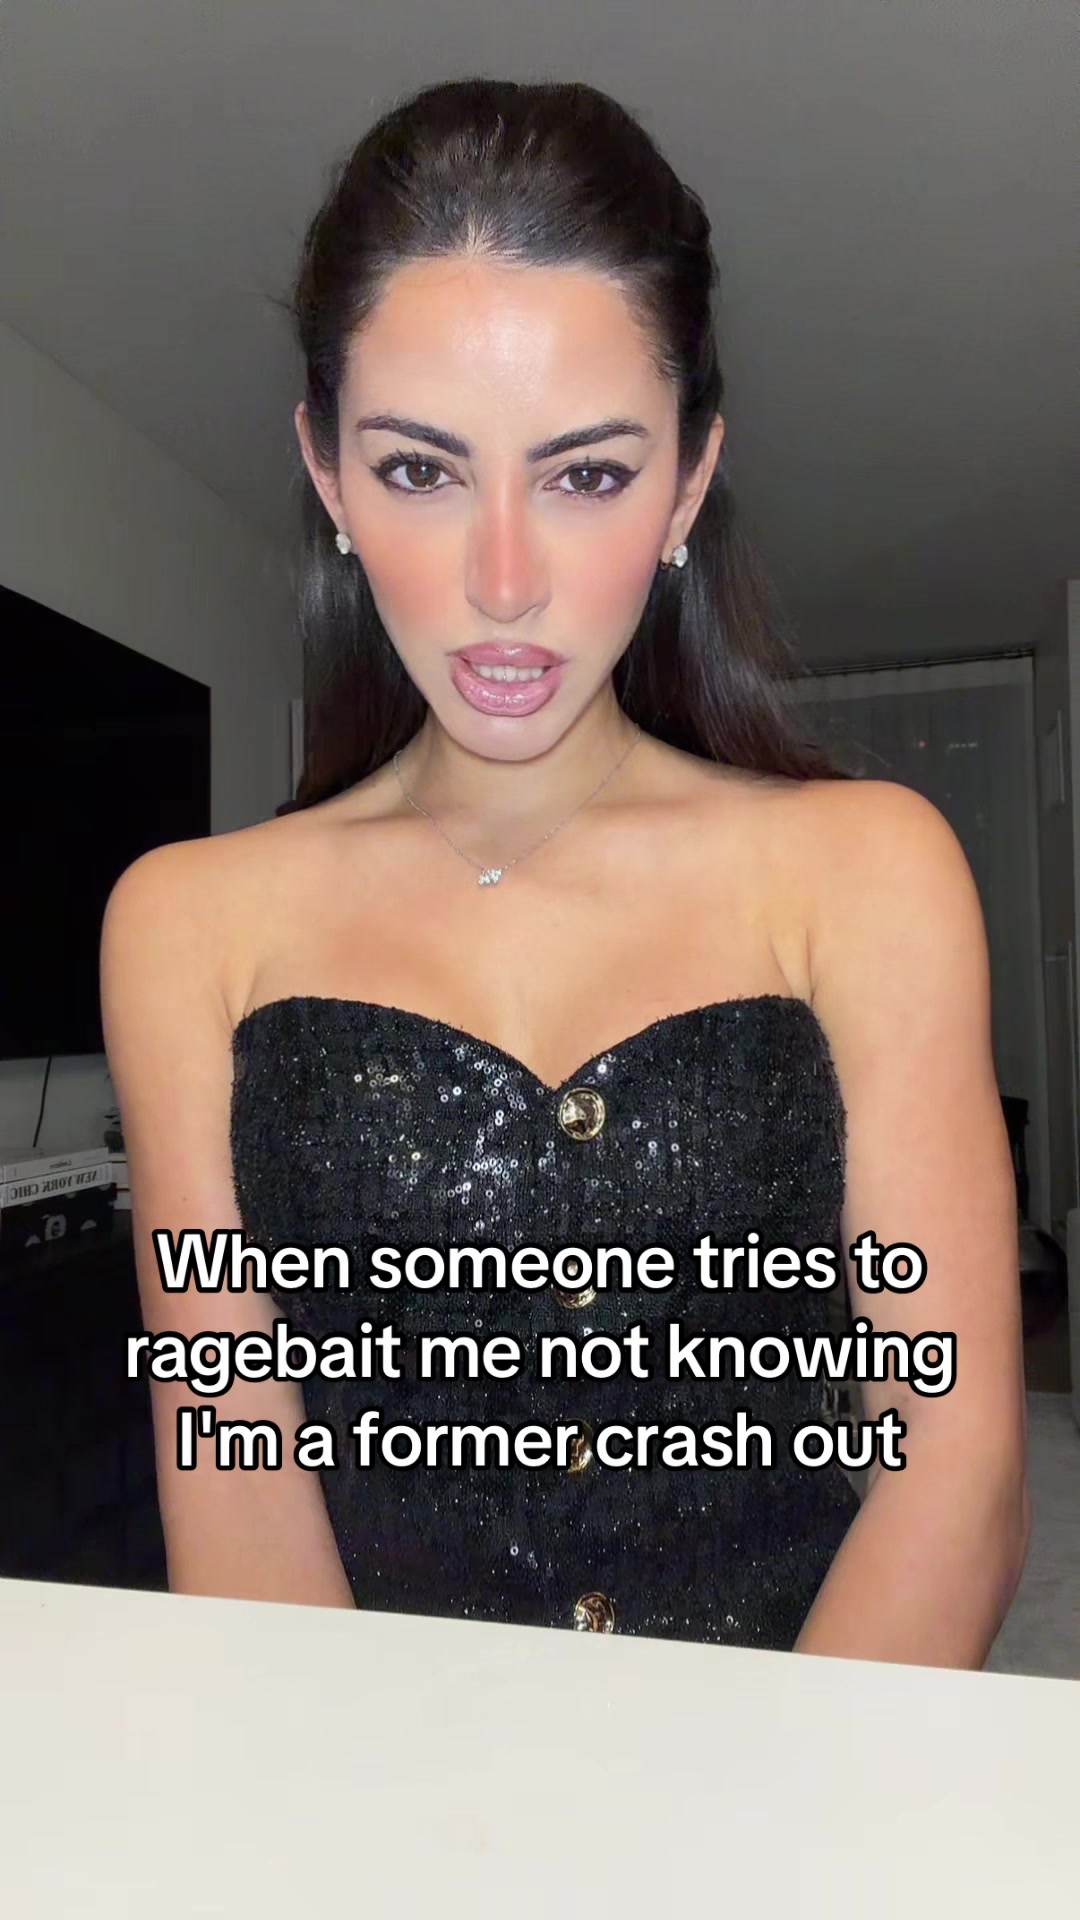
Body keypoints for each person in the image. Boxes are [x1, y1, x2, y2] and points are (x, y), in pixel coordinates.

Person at [101, 75, 1029, 1664]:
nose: (505, 580)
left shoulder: (868, 871)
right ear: (328, 477)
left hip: (801, 1777)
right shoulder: (187, 924)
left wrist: (765, 1813)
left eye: (587, 473)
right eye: (421, 469)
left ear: (687, 483)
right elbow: (237, 1485)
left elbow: (954, 1464)